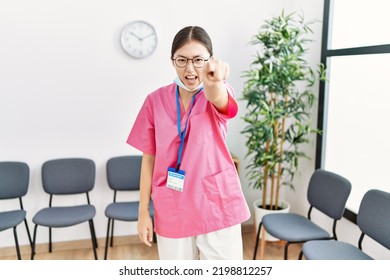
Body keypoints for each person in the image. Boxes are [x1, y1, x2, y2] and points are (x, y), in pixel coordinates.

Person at [126, 26, 250, 260]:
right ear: (172, 61)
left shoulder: (217, 91)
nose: (190, 69)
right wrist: (143, 212)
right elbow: (148, 159)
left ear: (210, 61)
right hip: (173, 207)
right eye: (182, 60)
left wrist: (215, 82)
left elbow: (222, 101)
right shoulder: (154, 101)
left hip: (216, 206)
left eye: (198, 60)